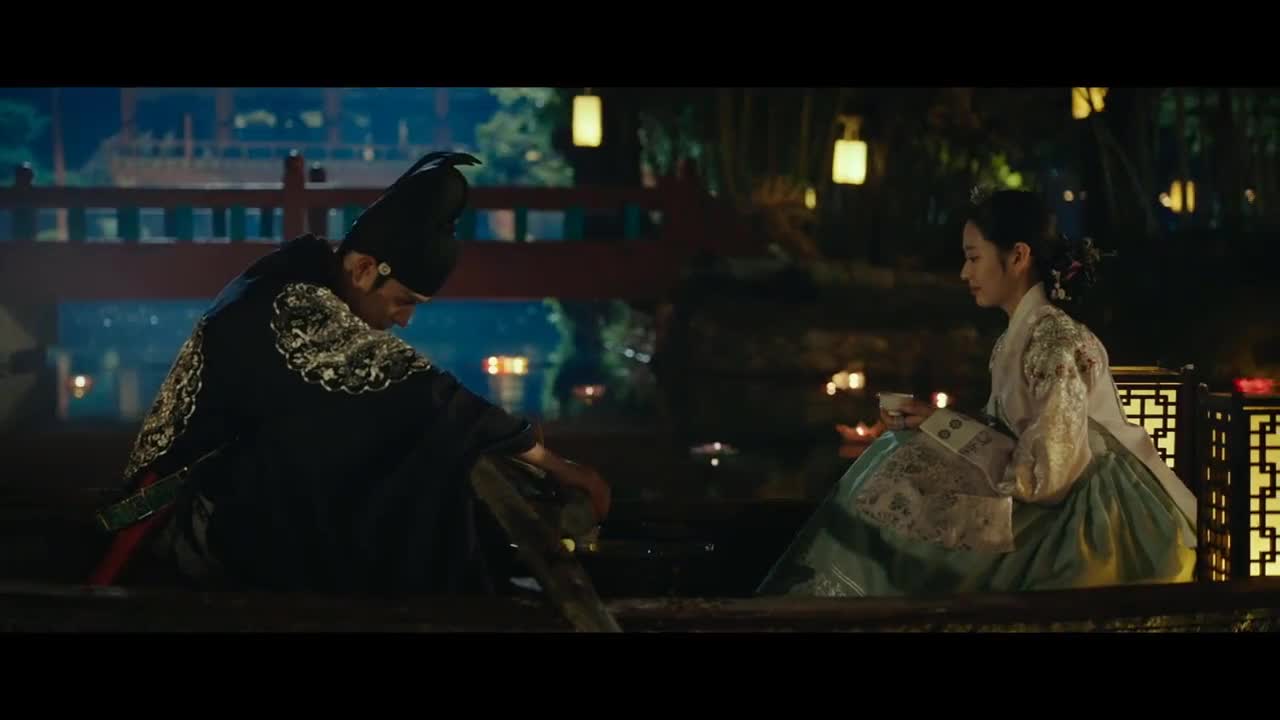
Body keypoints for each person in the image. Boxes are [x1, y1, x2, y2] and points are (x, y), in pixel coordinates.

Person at [89, 151, 611, 595]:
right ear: (363, 269)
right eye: (403, 300)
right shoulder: (291, 303)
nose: (404, 320)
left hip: (225, 497)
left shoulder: (303, 271)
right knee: (397, 444)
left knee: (379, 442)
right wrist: (551, 462)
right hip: (184, 519)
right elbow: (414, 387)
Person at [757, 189, 1197, 597]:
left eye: (973, 257)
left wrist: (945, 426)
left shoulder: (1055, 343)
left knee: (903, 492)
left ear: (1018, 256)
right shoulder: (1016, 338)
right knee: (895, 455)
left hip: (1084, 516)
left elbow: (1048, 478)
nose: (965, 272)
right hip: (1038, 484)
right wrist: (932, 421)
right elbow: (1005, 433)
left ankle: (852, 605)